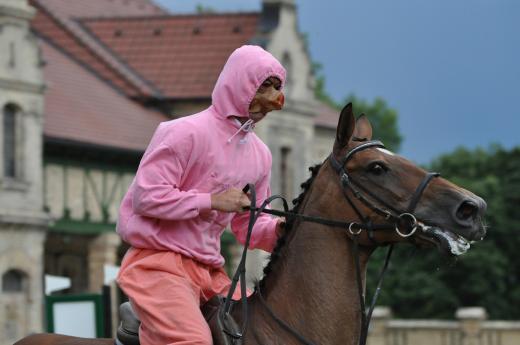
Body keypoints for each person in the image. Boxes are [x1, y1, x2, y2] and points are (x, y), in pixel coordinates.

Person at [116, 45, 286, 345]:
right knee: (195, 342)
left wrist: (284, 232)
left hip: (210, 273)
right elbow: (146, 196)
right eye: (264, 86)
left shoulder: (261, 155)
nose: (272, 98)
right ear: (239, 83)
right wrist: (214, 201)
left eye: (277, 87)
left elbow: (249, 228)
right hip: (157, 265)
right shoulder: (183, 131)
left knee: (263, 330)